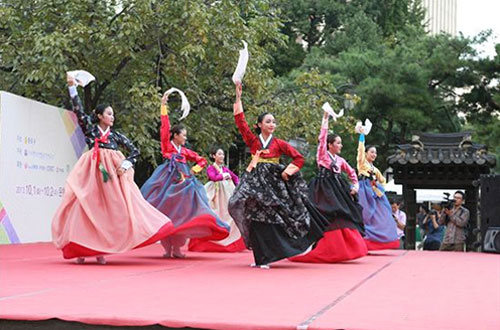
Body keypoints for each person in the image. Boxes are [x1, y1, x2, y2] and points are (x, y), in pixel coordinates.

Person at [52, 75, 174, 264]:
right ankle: (81, 249)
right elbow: (78, 111)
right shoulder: (91, 130)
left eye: (113, 114)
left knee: (108, 211)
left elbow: (134, 150)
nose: (112, 117)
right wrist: (72, 88)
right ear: (99, 116)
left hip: (111, 177)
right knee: (85, 208)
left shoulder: (116, 136)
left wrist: (125, 164)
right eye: (109, 114)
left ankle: (101, 250)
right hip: (92, 172)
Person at [228, 83, 328, 269]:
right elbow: (240, 122)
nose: (272, 124)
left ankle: (267, 257)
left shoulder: (279, 143)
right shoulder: (253, 140)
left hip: (274, 184)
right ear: (259, 125)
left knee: (270, 218)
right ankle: (260, 257)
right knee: (244, 209)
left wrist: (287, 171)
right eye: (268, 122)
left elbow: (299, 158)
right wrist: (238, 97)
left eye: (273, 122)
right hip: (254, 180)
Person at [141, 92, 229, 258]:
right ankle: (168, 248)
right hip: (166, 181)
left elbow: (202, 160)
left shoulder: (185, 152)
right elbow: (164, 127)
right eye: (184, 135)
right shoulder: (167, 146)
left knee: (182, 214)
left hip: (183, 183)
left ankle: (178, 248)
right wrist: (163, 106)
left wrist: (193, 171)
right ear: (175, 135)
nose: (185, 138)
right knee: (166, 211)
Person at [290, 111, 367, 263]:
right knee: (318, 215)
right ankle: (314, 246)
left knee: (341, 215)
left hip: (338, 191)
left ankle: (343, 249)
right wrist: (325, 119)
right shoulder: (323, 155)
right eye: (337, 143)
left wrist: (355, 187)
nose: (340, 145)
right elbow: (322, 139)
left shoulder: (340, 160)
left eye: (340, 143)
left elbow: (352, 173)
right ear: (330, 145)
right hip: (321, 191)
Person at [188, 146, 246, 252]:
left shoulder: (225, 169)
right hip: (215, 193)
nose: (222, 156)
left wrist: (237, 185)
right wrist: (223, 176)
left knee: (229, 214)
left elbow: (235, 177)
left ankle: (230, 240)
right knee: (213, 213)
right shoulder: (211, 168)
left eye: (222, 154)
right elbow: (213, 177)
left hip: (226, 193)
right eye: (219, 154)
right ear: (214, 156)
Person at [356, 130, 399, 250]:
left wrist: (378, 187)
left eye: (375, 153)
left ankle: (373, 239)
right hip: (363, 191)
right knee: (364, 214)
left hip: (373, 191)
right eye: (372, 152)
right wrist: (362, 136)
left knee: (383, 212)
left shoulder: (376, 169)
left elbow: (383, 180)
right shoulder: (362, 162)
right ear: (365, 153)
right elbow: (360, 150)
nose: (374, 154)